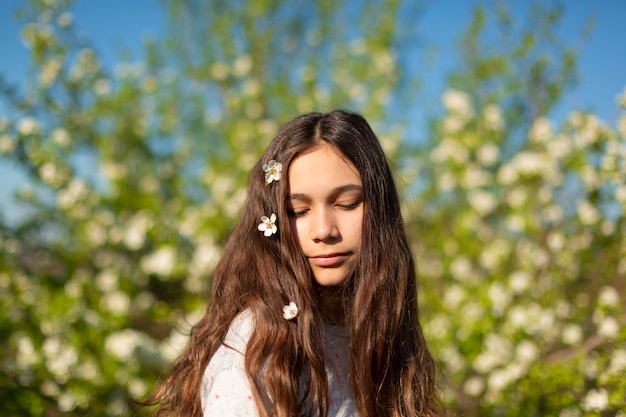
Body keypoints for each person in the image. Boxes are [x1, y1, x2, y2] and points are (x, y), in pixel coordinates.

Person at [144, 110, 444, 417]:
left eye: (347, 204)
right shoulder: (258, 352)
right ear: (272, 221)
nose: (324, 230)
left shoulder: (379, 332)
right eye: (297, 211)